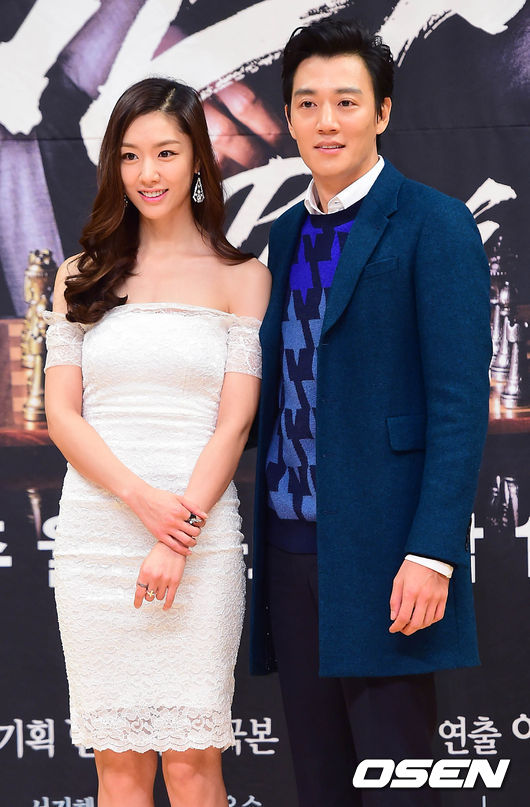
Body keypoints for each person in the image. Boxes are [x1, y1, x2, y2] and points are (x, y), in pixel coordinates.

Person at [250, 19, 491, 807]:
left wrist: (432, 551)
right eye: (308, 103)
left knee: (395, 783)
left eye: (346, 102)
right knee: (320, 783)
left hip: (388, 553)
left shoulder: (434, 221)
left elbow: (458, 404)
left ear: (382, 111)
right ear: (288, 117)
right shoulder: (284, 233)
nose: (327, 121)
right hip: (289, 552)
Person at [44, 77, 270, 807]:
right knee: (118, 770)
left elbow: (234, 422)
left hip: (199, 537)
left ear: (198, 159)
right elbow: (63, 415)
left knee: (193, 765)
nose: (148, 172)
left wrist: (177, 534)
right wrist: (142, 502)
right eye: (131, 154)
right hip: (98, 537)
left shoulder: (244, 278)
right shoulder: (80, 276)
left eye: (167, 152)